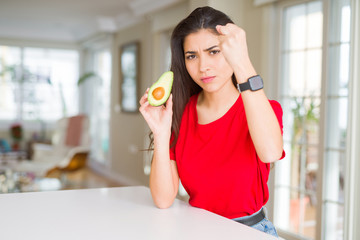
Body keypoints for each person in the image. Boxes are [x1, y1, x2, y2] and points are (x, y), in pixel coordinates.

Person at [139, 6, 285, 238]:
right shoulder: (180, 114)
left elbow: (270, 153)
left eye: (214, 51)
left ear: (231, 51)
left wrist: (243, 61)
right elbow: (164, 199)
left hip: (250, 232)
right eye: (192, 56)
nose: (203, 66)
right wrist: (160, 132)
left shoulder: (263, 109)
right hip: (197, 230)